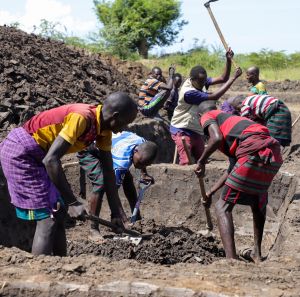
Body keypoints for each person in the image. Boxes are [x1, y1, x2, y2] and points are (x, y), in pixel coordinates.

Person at [0, 92, 138, 256]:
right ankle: (39, 272)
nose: (124, 129)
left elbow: (108, 171)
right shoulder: (83, 117)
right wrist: (72, 202)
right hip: (22, 153)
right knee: (48, 219)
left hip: (38, 155)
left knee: (58, 213)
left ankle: (62, 265)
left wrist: (116, 212)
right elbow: (51, 160)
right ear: (115, 116)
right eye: (125, 123)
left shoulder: (103, 130)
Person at [195, 100, 283, 262]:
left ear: (199, 116)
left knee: (222, 207)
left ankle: (231, 260)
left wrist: (201, 161)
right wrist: (210, 192)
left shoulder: (207, 115)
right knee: (258, 204)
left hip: (253, 151)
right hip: (273, 155)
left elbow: (215, 138)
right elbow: (233, 169)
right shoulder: (235, 123)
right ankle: (256, 253)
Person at [77, 131, 158, 241]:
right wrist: (122, 218)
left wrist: (144, 173)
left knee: (127, 179)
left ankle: (137, 220)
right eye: (139, 163)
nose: (140, 166)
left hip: (106, 147)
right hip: (88, 150)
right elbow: (112, 192)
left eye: (145, 165)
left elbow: (144, 157)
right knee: (100, 184)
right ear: (135, 151)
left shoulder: (142, 143)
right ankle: (93, 229)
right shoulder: (121, 161)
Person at [170, 48, 242, 165]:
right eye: (201, 81)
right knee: (186, 161)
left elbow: (222, 78)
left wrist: (228, 60)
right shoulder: (188, 92)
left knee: (202, 160)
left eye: (205, 80)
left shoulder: (200, 81)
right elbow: (215, 96)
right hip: (181, 129)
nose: (204, 83)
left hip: (195, 129)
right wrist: (233, 78)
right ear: (192, 80)